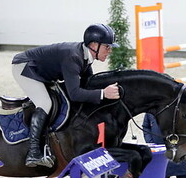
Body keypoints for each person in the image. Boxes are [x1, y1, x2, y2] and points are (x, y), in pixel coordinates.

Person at [12, 24, 121, 168]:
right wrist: (103, 93)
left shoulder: (85, 57)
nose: (110, 51)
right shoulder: (74, 57)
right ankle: (33, 153)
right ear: (94, 45)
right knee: (45, 103)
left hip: (42, 71)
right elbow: (74, 94)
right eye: (107, 47)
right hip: (26, 68)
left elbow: (88, 83)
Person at [142, 113, 186, 178]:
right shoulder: (149, 111)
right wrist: (151, 142)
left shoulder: (178, 108)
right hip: (160, 156)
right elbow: (146, 126)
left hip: (179, 154)